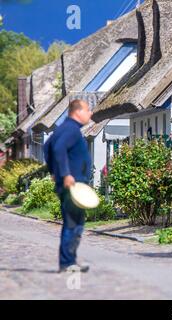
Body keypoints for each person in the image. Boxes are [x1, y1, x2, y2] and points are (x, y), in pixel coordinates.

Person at [44, 99, 93, 273]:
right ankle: (67, 262)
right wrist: (64, 173)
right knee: (73, 224)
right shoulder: (71, 130)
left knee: (74, 222)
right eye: (88, 110)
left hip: (71, 183)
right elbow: (57, 148)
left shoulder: (65, 128)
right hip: (72, 184)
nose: (90, 113)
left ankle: (70, 260)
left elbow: (47, 146)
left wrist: (54, 171)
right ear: (77, 112)